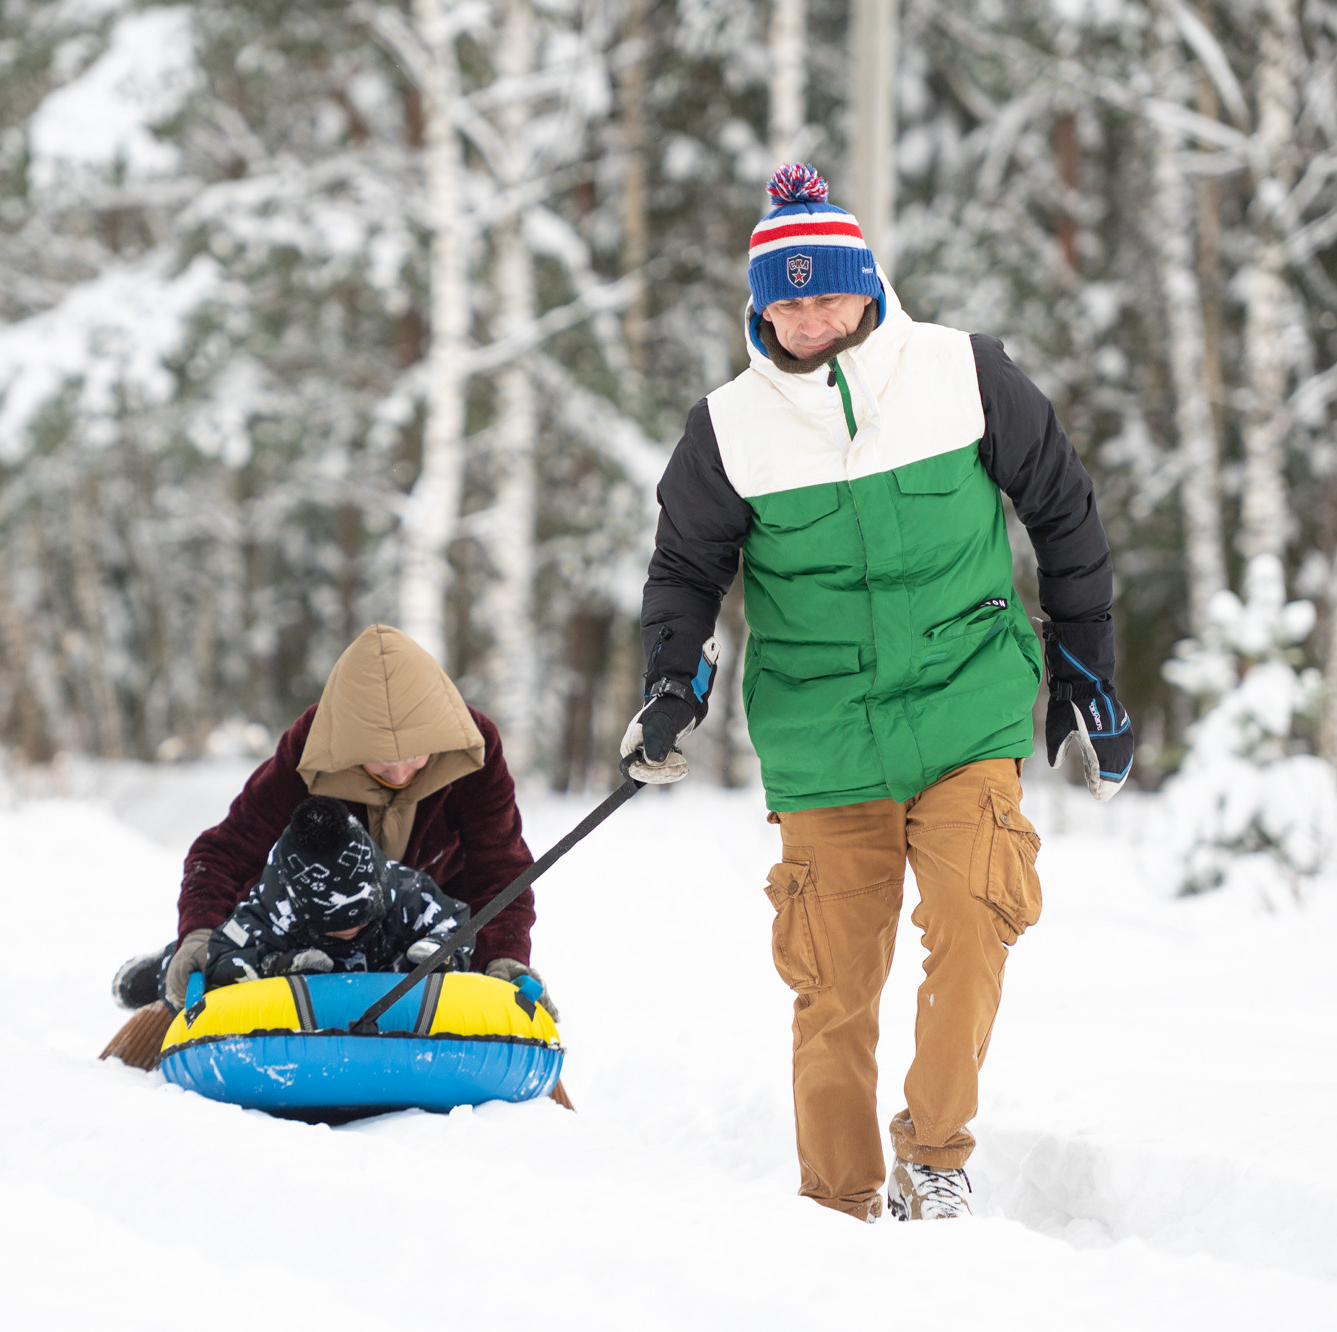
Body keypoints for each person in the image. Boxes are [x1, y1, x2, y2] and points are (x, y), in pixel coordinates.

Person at [620, 164, 1131, 1223]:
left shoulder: (960, 373)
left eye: (826, 295)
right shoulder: (727, 429)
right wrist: (672, 683)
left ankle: (935, 1156)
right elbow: (683, 573)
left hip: (964, 707)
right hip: (822, 737)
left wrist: (1083, 665)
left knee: (974, 916)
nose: (808, 320)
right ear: (759, 308)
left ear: (867, 283)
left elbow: (1064, 511)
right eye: (785, 302)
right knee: (832, 983)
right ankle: (836, 1207)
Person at [111, 623, 556, 1018]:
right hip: (319, 918)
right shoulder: (310, 748)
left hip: (429, 921)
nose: (400, 776)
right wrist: (200, 933)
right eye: (379, 764)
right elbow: (224, 853)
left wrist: (503, 956)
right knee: (246, 955)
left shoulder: (475, 748)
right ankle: (166, 969)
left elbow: (501, 867)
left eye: (415, 758)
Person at [201, 794, 473, 987]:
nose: (349, 932)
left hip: (398, 1026)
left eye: (363, 919)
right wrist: (277, 965)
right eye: (331, 927)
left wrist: (439, 951)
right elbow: (220, 960)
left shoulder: (407, 893)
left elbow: (456, 922)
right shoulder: (269, 915)